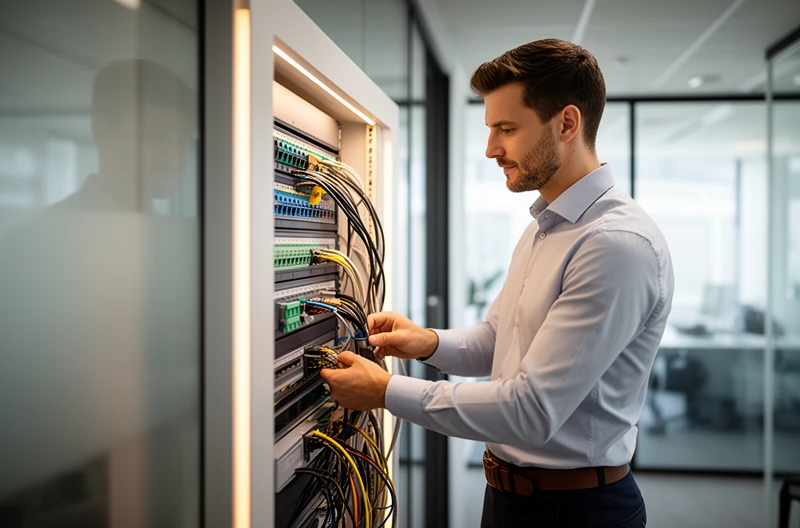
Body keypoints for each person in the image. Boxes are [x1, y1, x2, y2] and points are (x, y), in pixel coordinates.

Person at [320, 38, 674, 527]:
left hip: (576, 511)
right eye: (490, 129)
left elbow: (531, 409)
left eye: (506, 129)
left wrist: (386, 392)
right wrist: (426, 343)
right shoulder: (543, 227)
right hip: (511, 499)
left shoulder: (615, 244)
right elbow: (498, 338)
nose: (491, 149)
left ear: (567, 123)